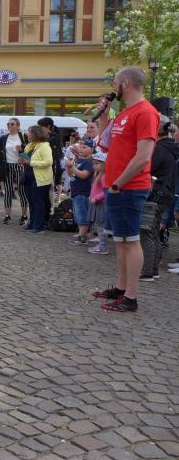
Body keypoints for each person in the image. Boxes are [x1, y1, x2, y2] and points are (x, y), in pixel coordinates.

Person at [91, 67, 159, 312]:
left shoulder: (145, 112)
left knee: (130, 241)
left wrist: (118, 183)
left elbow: (143, 157)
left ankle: (131, 297)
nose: (113, 86)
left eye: (115, 82)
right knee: (121, 241)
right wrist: (103, 117)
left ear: (126, 84)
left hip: (128, 187)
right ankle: (120, 289)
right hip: (116, 186)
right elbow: (105, 144)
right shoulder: (124, 113)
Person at [139, 118, 176, 281]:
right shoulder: (169, 147)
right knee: (153, 232)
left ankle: (148, 271)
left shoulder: (160, 149)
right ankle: (152, 269)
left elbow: (149, 168)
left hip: (156, 194)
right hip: (164, 194)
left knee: (147, 232)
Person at [0, 117, 28, 225]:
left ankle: (24, 216)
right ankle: (7, 215)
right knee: (8, 191)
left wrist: (22, 150)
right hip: (7, 166)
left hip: (19, 166)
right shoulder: (4, 138)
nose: (9, 126)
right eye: (8, 124)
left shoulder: (23, 137)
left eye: (12, 124)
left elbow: (29, 155)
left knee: (22, 191)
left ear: (18, 126)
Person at [20, 125, 53, 234]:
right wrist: (23, 160)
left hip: (40, 178)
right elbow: (27, 159)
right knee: (31, 201)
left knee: (38, 202)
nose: (27, 134)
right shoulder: (29, 145)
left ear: (36, 134)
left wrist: (31, 162)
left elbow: (49, 162)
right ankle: (32, 224)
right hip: (29, 176)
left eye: (29, 132)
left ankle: (39, 226)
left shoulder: (44, 146)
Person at [65, 140, 95, 245]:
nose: (81, 149)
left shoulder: (89, 162)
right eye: (81, 147)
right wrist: (69, 166)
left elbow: (83, 175)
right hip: (76, 192)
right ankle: (82, 234)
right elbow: (70, 174)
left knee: (82, 215)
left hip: (83, 192)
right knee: (78, 215)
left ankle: (82, 237)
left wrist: (72, 167)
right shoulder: (80, 160)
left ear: (91, 149)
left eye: (84, 147)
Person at [37, 116, 63, 212]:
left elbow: (55, 154)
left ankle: (51, 208)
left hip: (51, 165)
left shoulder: (54, 137)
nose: (40, 128)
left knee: (50, 186)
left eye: (41, 126)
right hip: (40, 165)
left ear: (48, 126)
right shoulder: (40, 137)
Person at [88, 151, 109, 255]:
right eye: (93, 163)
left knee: (101, 226)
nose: (94, 166)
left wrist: (96, 198)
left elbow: (106, 192)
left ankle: (102, 246)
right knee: (99, 225)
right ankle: (101, 243)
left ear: (104, 164)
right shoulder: (98, 175)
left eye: (97, 163)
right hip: (97, 204)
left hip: (101, 204)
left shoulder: (104, 176)